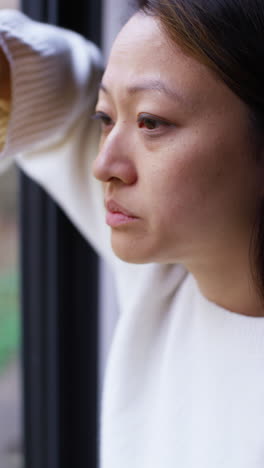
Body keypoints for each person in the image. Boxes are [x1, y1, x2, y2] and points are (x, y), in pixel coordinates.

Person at [0, 1, 264, 466]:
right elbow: (40, 85)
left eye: (151, 122)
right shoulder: (165, 274)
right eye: (105, 119)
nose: (105, 166)